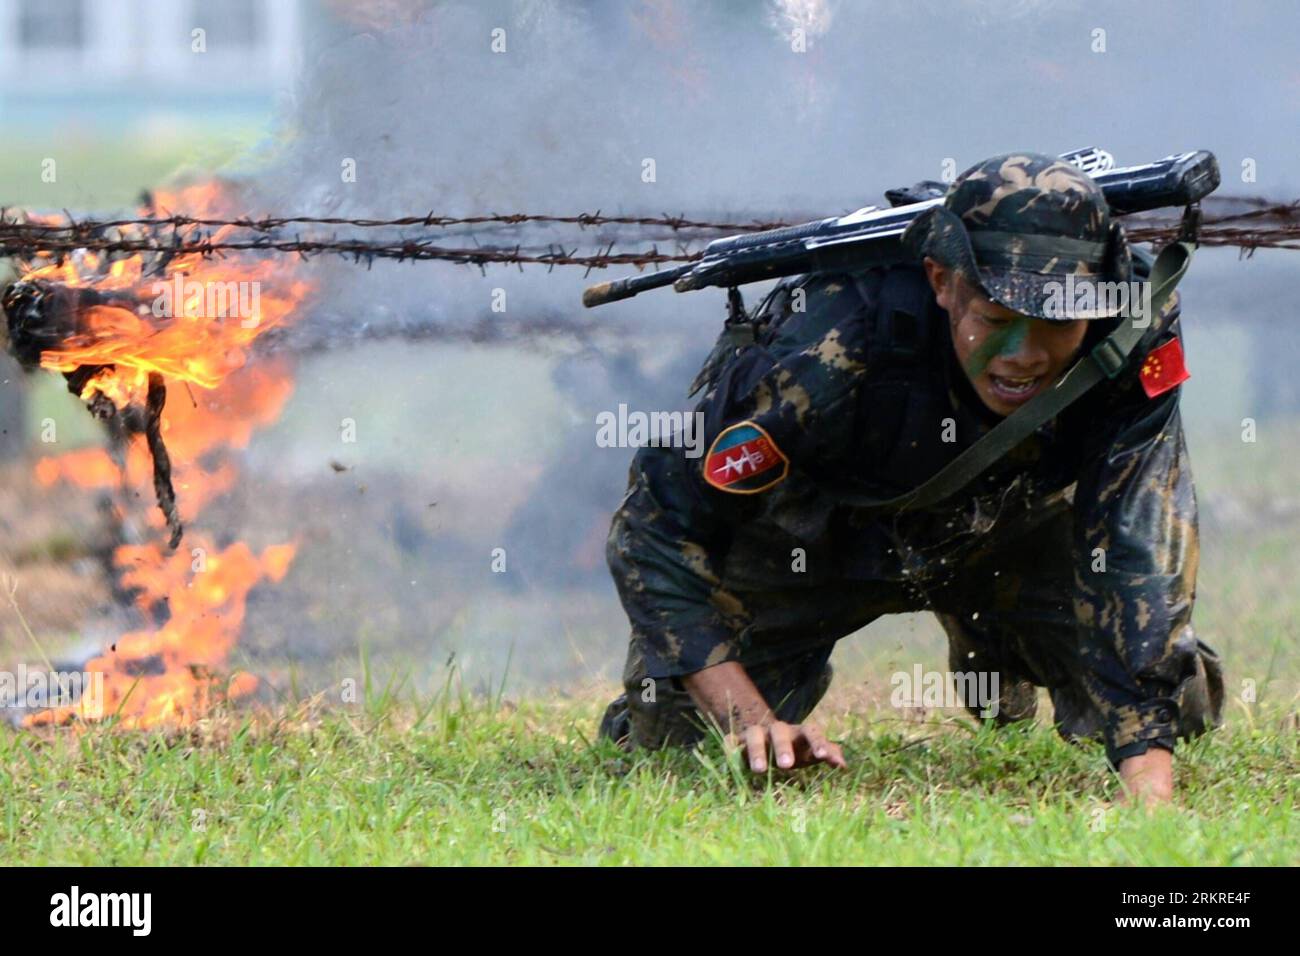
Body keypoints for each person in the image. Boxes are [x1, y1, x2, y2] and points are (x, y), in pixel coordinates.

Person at [598, 152, 1223, 805]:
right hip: (814, 545)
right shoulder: (825, 339)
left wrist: (1149, 791)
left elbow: (1139, 541)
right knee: (676, 749)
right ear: (942, 281)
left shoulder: (1132, 327)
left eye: (1058, 323)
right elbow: (656, 525)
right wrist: (750, 724)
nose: (1023, 356)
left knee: (1177, 709)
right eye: (996, 319)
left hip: (1009, 529)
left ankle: (989, 624)